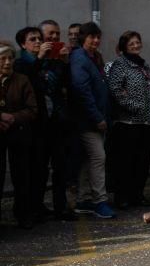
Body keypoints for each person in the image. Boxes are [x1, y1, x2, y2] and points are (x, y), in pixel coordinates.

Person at [20, 22, 74, 221]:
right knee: (38, 169)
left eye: (57, 34)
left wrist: (65, 62)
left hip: (57, 122)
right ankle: (36, 207)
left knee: (61, 167)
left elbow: (67, 86)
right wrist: (40, 58)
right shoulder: (24, 62)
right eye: (49, 34)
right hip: (38, 125)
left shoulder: (55, 61)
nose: (53, 38)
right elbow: (28, 81)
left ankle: (60, 207)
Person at [69, 22, 116, 219]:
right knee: (98, 157)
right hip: (88, 121)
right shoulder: (80, 58)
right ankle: (99, 201)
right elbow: (82, 90)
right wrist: (97, 117)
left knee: (88, 160)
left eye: (98, 37)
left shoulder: (93, 57)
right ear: (83, 38)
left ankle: (83, 199)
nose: (96, 41)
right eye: (91, 37)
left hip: (94, 119)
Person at [106, 31, 150, 209]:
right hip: (128, 122)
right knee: (125, 162)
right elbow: (115, 90)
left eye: (137, 42)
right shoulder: (120, 64)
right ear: (124, 46)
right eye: (131, 43)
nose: (136, 45)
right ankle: (122, 197)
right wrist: (134, 106)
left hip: (147, 121)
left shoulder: (144, 65)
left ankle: (138, 194)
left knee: (142, 161)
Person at [1, 40, 38, 228]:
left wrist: (12, 117)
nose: (7, 63)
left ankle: (23, 214)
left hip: (19, 134)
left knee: (21, 176)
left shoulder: (22, 80)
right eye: (3, 59)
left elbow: (32, 109)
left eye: (10, 58)